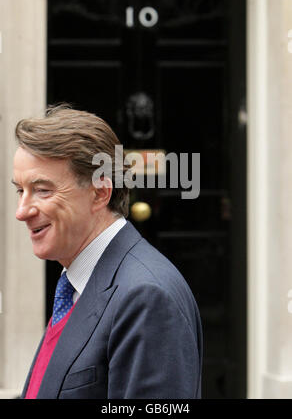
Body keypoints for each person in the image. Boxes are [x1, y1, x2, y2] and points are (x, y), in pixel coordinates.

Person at [12, 105, 203, 399]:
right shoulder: (76, 285)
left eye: (42, 190)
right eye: (20, 191)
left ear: (100, 192)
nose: (22, 211)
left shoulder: (147, 297)